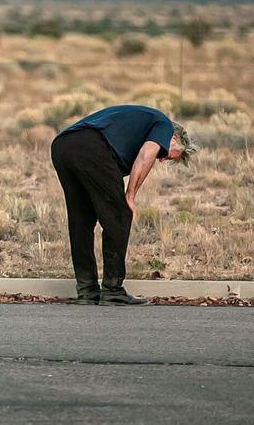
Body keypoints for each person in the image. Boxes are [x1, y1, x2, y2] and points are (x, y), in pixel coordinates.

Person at [50, 105, 197, 305]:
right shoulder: (164, 125)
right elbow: (146, 155)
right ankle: (112, 290)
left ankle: (87, 290)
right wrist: (130, 196)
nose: (161, 159)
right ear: (173, 139)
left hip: (62, 145)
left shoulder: (139, 124)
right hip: (90, 146)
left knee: (81, 220)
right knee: (120, 215)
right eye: (167, 155)